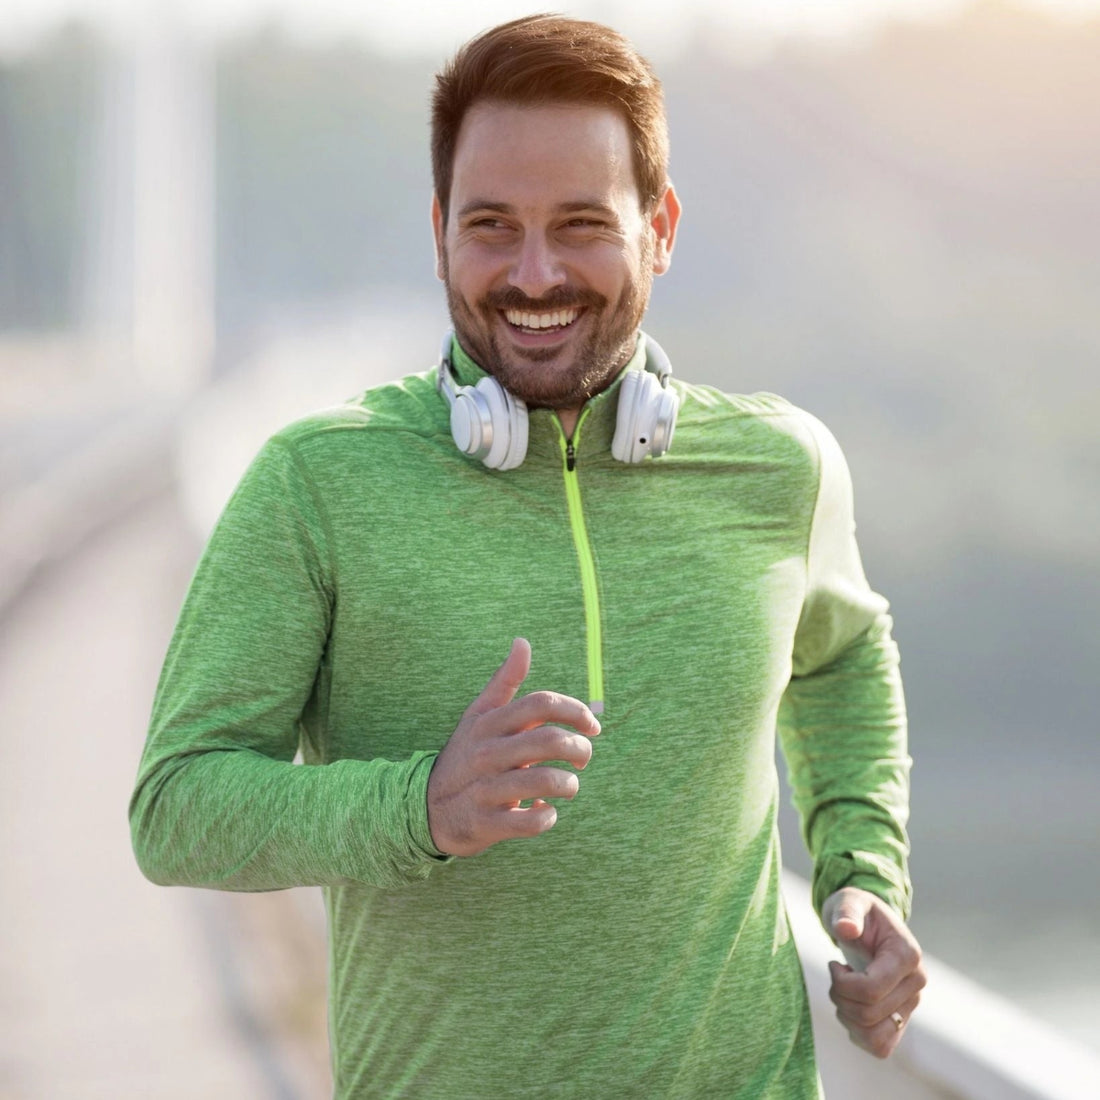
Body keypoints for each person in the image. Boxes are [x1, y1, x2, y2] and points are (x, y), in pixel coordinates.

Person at [131, 14, 925, 1098]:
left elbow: (838, 654)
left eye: (580, 224)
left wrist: (860, 870)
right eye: (492, 225)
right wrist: (419, 809)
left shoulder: (780, 469)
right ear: (438, 229)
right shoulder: (316, 484)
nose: (534, 272)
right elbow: (177, 809)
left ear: (661, 226)